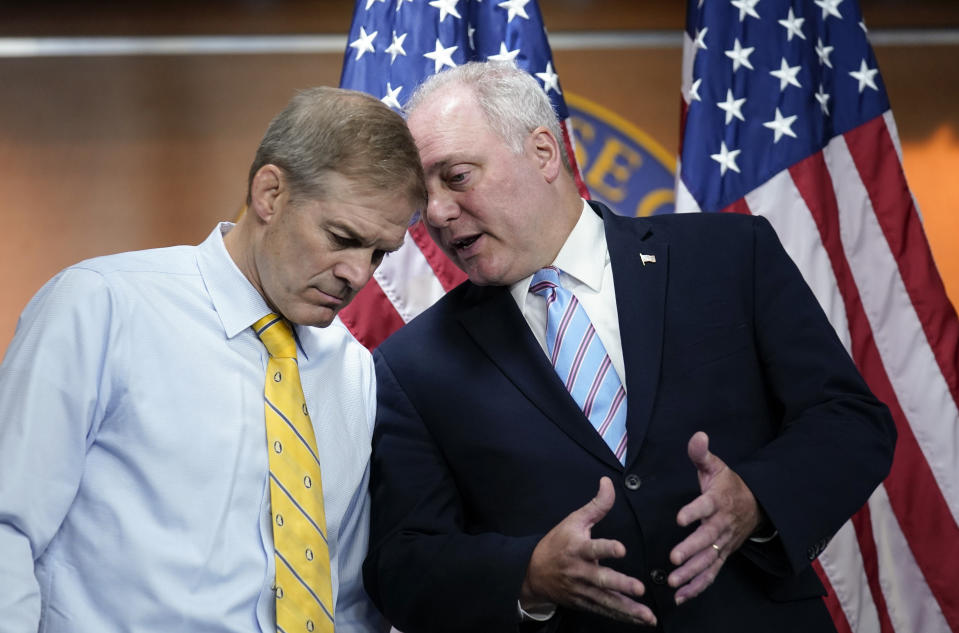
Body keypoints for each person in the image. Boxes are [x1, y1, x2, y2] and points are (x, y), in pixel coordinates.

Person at [361, 62, 897, 633]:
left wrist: (758, 498)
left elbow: (850, 419)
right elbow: (404, 562)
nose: (437, 213)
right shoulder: (412, 365)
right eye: (426, 194)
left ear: (543, 153)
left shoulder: (729, 255)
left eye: (457, 177)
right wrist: (528, 573)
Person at [0, 86, 426, 633]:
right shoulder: (101, 305)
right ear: (270, 194)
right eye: (342, 238)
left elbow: (344, 595)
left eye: (379, 253)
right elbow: (7, 525)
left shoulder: (352, 369)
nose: (358, 275)